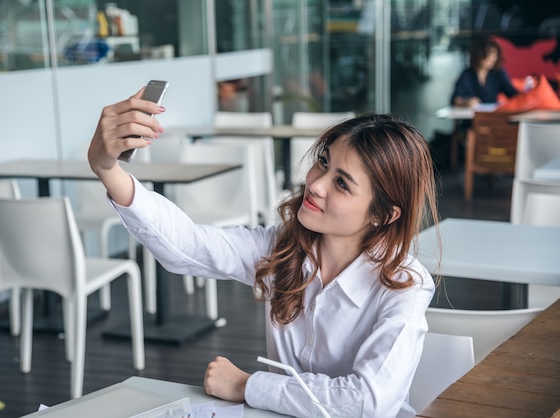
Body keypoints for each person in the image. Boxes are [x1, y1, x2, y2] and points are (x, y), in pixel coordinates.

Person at [87, 87, 441, 418]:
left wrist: (247, 385)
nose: (315, 184)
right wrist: (107, 168)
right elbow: (187, 246)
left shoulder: (403, 285)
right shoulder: (281, 249)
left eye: (342, 183)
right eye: (323, 162)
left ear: (382, 214)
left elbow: (367, 403)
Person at [451, 37, 518, 107]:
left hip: (492, 115)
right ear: (479, 56)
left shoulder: (497, 73)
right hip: (472, 115)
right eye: (489, 56)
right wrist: (466, 103)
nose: (493, 59)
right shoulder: (467, 75)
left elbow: (512, 93)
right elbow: (455, 99)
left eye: (495, 56)